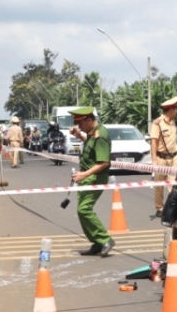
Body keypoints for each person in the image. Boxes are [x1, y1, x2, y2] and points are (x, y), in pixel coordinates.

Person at [69, 107, 115, 256]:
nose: (78, 126)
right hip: (88, 177)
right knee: (81, 210)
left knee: (84, 209)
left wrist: (84, 174)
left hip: (95, 178)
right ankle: (96, 242)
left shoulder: (101, 135)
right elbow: (90, 146)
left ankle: (105, 239)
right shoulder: (93, 133)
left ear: (89, 120)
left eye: (80, 123)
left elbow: (103, 162)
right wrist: (79, 135)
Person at [150, 96, 177, 218]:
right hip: (161, 158)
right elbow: (153, 142)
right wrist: (154, 161)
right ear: (170, 110)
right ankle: (160, 208)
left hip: (174, 157)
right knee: (159, 184)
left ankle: (173, 206)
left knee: (174, 184)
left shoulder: (173, 122)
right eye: (176, 108)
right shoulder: (157, 123)